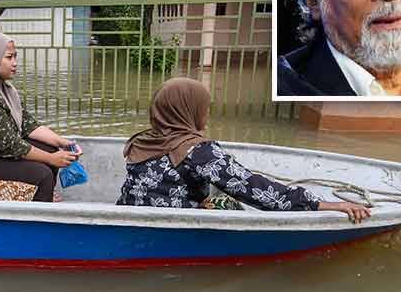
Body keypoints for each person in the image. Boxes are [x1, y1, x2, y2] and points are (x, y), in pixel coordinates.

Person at [118, 77, 371, 223]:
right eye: (204, 107)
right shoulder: (198, 150)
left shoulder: (141, 140)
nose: (206, 113)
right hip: (173, 223)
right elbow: (255, 189)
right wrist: (321, 204)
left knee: (212, 190)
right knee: (229, 203)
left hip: (133, 214)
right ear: (188, 110)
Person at [0, 31, 77, 203]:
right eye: (9, 57)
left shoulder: (2, 88)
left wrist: (63, 143)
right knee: (43, 174)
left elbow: (26, 123)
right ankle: (37, 218)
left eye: (15, 57)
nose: (15, 63)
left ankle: (41, 197)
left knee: (51, 148)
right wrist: (52, 159)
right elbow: (7, 145)